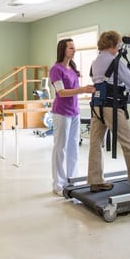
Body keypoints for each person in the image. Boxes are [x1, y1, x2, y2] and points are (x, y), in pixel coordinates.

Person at [88, 30, 130, 192]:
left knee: (95, 144)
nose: (119, 46)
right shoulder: (115, 61)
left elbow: (107, 82)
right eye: (118, 43)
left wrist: (122, 88)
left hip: (97, 106)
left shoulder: (95, 61)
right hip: (112, 107)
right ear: (114, 44)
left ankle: (96, 181)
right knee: (128, 144)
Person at [50, 38, 96, 196]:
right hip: (61, 112)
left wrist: (87, 91)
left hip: (74, 112)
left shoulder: (72, 68)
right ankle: (58, 185)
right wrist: (83, 89)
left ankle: (73, 180)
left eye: (74, 48)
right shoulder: (56, 69)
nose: (74, 50)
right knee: (60, 148)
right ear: (63, 50)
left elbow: (75, 92)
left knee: (73, 148)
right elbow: (61, 93)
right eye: (71, 48)